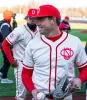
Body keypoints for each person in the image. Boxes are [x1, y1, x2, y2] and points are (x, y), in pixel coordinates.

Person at [21, 4, 87, 100]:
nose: (37, 23)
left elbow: (84, 68)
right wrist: (32, 90)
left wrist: (80, 79)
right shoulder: (32, 44)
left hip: (66, 97)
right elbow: (25, 73)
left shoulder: (74, 42)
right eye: (37, 20)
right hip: (41, 97)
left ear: (53, 20)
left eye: (41, 19)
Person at [2, 8, 40, 100]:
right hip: (21, 64)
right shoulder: (19, 31)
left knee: (39, 93)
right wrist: (11, 61)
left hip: (37, 65)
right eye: (31, 18)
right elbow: (5, 44)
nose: (32, 20)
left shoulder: (40, 30)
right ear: (27, 18)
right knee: (21, 95)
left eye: (35, 18)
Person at [0, 10, 13, 83]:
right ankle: (4, 78)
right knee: (8, 61)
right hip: (5, 46)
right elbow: (6, 37)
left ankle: (1, 72)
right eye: (11, 16)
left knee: (7, 61)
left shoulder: (4, 23)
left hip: (3, 45)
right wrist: (11, 47)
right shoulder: (5, 24)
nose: (11, 17)